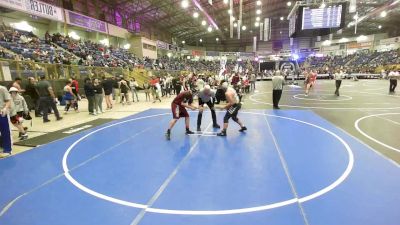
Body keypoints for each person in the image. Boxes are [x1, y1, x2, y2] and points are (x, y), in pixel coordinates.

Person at [0, 85, 12, 158]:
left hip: (1, 113)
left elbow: (8, 100)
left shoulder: (2, 88)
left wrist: (5, 108)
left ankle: (7, 150)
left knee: (5, 132)